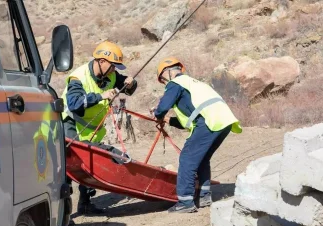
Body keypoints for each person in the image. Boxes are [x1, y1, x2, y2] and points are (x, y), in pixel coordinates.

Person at [151, 57, 242, 213]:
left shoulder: (175, 84)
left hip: (208, 122)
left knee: (187, 158)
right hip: (223, 121)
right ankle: (204, 195)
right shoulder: (194, 84)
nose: (165, 84)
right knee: (202, 158)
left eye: (163, 80)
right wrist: (166, 120)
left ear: (167, 73)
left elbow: (162, 107)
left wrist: (158, 114)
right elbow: (187, 121)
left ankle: (185, 202)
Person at [61, 41, 137, 215]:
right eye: (112, 66)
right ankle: (64, 214)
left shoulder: (111, 76)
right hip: (71, 123)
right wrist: (101, 95)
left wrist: (130, 83)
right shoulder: (78, 78)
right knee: (69, 167)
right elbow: (74, 103)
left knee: (90, 164)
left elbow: (127, 87)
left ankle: (86, 204)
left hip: (91, 128)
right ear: (101, 61)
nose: (114, 71)